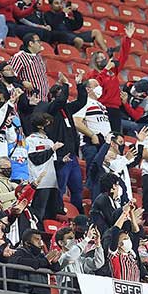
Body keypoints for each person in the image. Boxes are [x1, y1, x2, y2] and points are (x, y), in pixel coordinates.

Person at [42, 71, 87, 212]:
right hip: (61, 156)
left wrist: (79, 84)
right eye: (62, 94)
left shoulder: (66, 109)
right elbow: (60, 101)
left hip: (72, 155)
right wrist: (66, 84)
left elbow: (81, 102)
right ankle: (57, 213)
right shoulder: (51, 109)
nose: (66, 98)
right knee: (60, 188)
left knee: (77, 188)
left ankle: (78, 213)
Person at [86, 22, 134, 132]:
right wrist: (106, 69)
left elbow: (124, 55)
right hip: (101, 108)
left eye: (104, 57)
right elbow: (96, 85)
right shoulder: (92, 74)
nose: (103, 59)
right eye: (100, 58)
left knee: (116, 137)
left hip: (115, 109)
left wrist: (127, 38)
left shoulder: (113, 71)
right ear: (95, 61)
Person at [26, 113, 63, 226]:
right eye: (47, 122)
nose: (50, 125)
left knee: (50, 214)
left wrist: (62, 160)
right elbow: (35, 158)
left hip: (52, 183)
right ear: (40, 126)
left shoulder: (50, 141)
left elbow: (52, 161)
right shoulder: (30, 140)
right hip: (39, 182)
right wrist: (51, 150)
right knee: (38, 213)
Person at [74, 79, 112, 186]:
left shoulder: (101, 105)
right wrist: (92, 135)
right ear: (88, 89)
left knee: (103, 177)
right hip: (92, 144)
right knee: (94, 177)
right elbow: (77, 122)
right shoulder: (83, 102)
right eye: (96, 85)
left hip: (104, 144)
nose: (100, 87)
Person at [55, 225, 105, 294]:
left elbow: (98, 263)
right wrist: (87, 239)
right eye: (70, 238)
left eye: (74, 238)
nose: (73, 241)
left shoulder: (80, 260)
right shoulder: (59, 259)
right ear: (61, 243)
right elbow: (70, 257)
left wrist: (98, 244)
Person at [10, 229, 61, 294]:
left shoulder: (41, 256)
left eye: (40, 240)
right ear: (27, 243)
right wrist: (45, 261)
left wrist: (54, 262)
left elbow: (56, 269)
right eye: (37, 240)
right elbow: (31, 263)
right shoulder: (18, 253)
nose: (40, 243)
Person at [9, 33, 48, 98]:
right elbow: (9, 76)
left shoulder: (39, 57)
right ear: (31, 43)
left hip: (43, 100)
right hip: (29, 100)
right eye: (38, 41)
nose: (41, 44)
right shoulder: (19, 57)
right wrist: (22, 82)